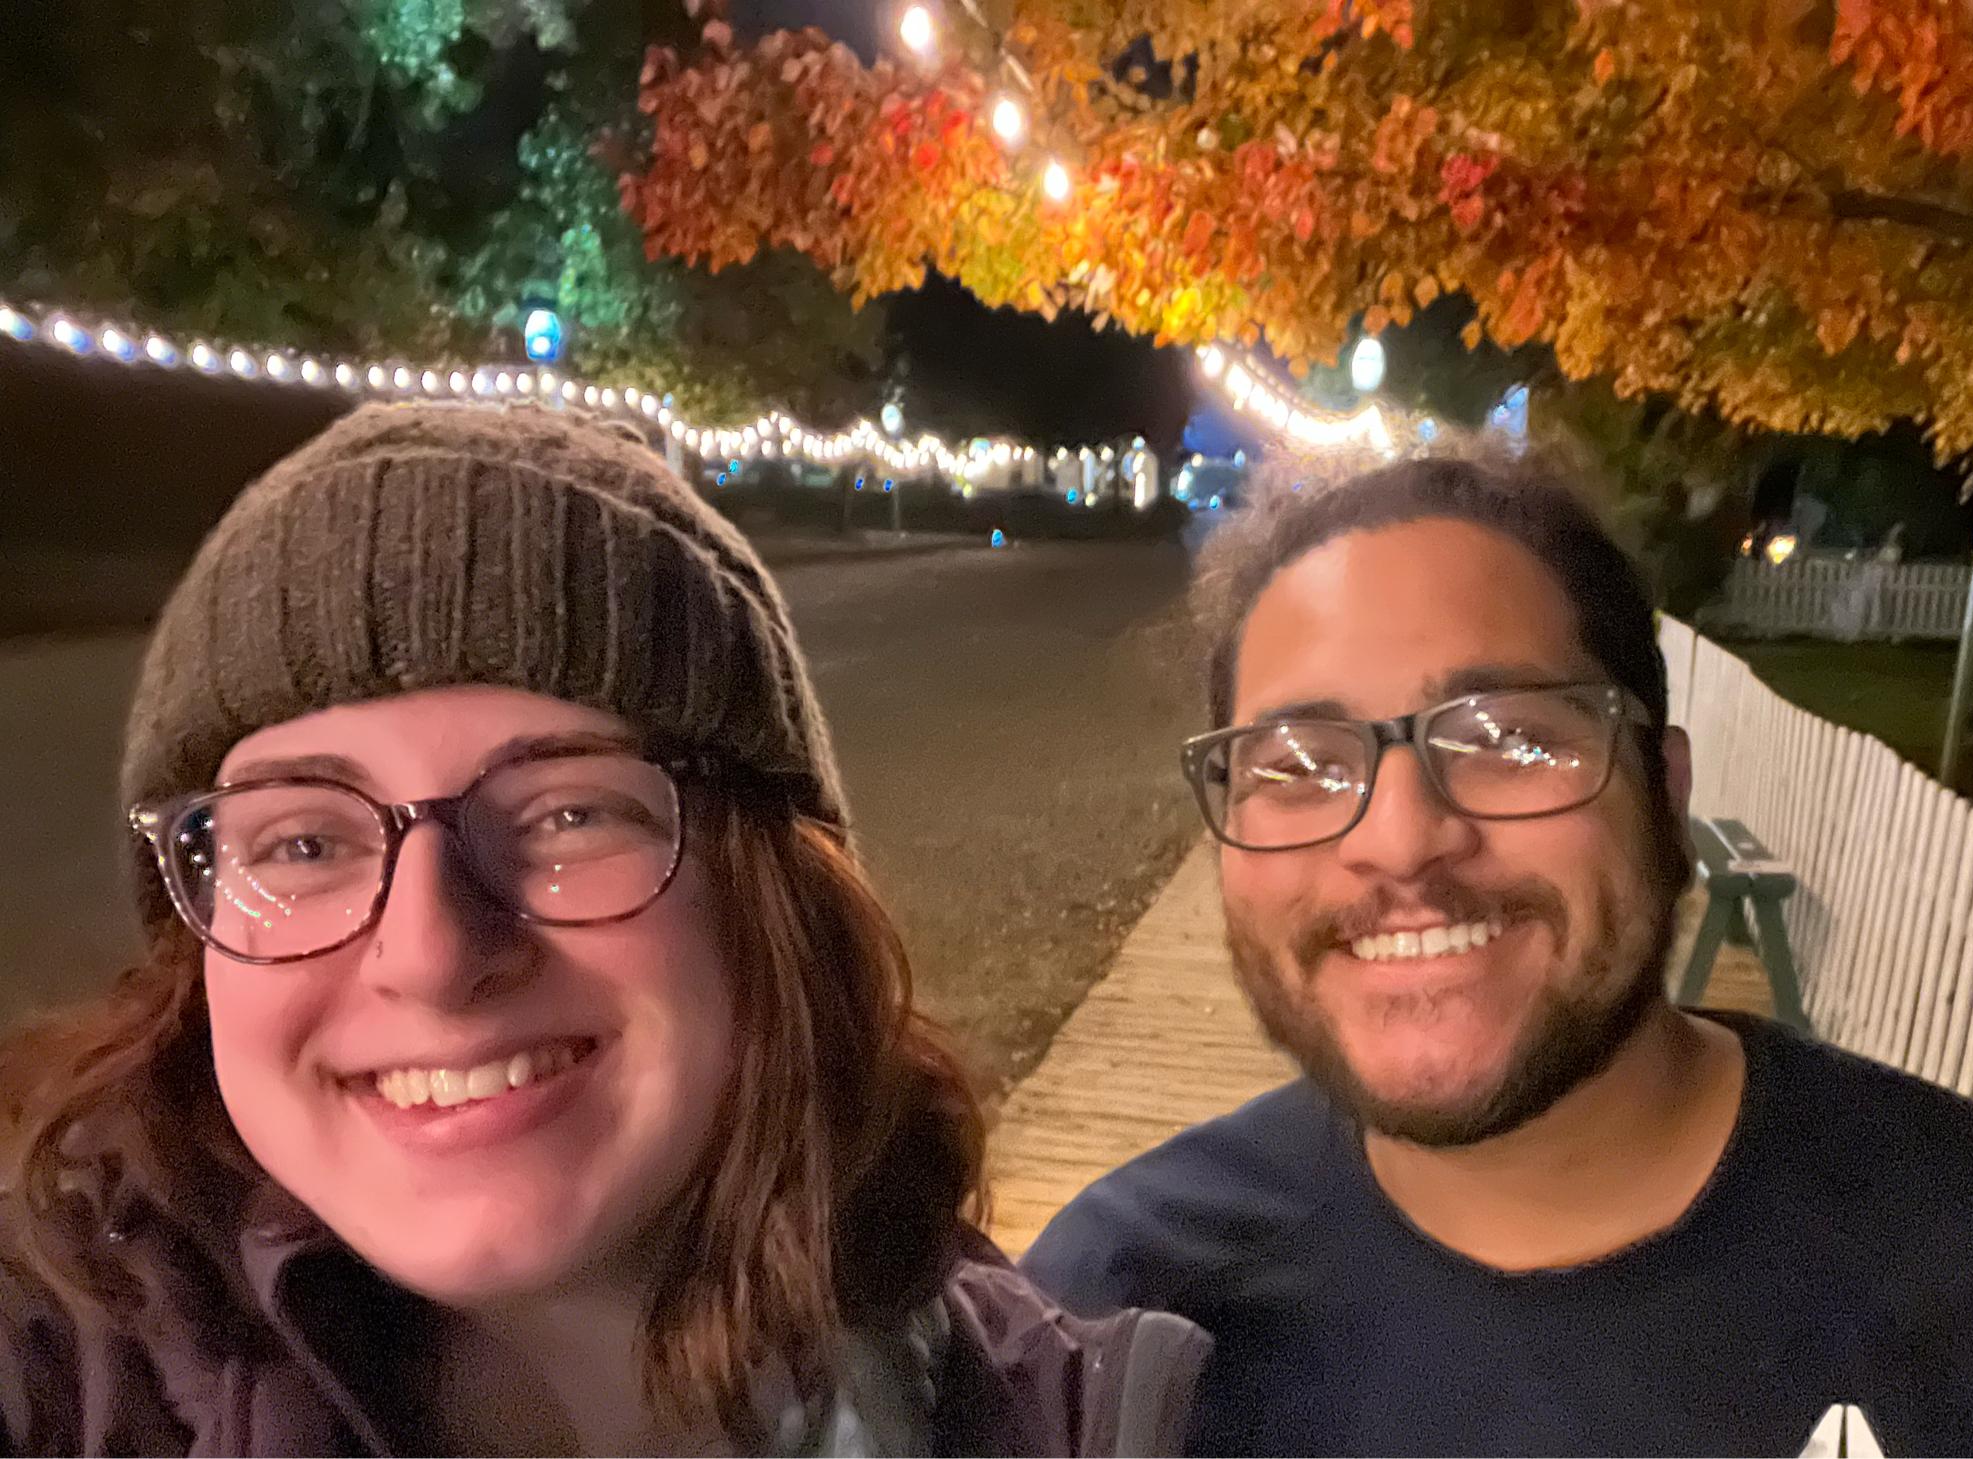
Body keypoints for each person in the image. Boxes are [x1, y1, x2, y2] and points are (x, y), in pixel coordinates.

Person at [1021, 452, 1973, 1456]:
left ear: (1665, 790)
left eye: (1510, 739)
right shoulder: (1109, 1327)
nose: (1401, 839)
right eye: (1299, 766)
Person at [0, 403, 1205, 1455]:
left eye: (569, 814)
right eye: (303, 843)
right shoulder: (45, 1368)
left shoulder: (1077, 1420)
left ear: (773, 900)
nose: (432, 953)